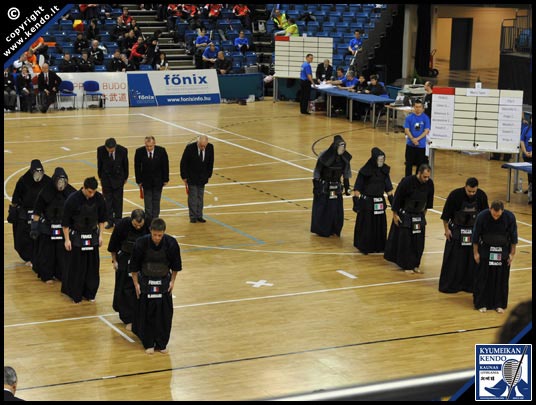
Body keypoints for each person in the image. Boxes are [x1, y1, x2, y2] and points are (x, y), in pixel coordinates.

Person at [130, 218, 182, 354]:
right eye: (154, 235)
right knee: (147, 314)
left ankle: (161, 343)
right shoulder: (141, 243)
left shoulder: (171, 243)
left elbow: (176, 265)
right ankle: (148, 342)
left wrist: (172, 282)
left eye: (160, 235)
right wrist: (136, 284)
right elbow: (134, 266)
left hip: (164, 281)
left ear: (164, 232)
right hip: (146, 282)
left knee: (164, 315)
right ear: (150, 231)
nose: (157, 238)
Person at [438, 177, 489, 293]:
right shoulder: (455, 195)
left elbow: (485, 216)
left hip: (474, 231)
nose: (471, 193)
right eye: (469, 191)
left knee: (471, 261)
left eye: (474, 191)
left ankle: (470, 285)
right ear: (465, 186)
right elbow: (445, 216)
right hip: (456, 231)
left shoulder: (481, 196)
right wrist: (447, 230)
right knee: (454, 260)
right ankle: (451, 285)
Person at [61, 176, 107, 304]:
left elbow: (102, 219)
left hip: (92, 235)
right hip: (76, 236)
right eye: (89, 192)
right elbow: (65, 222)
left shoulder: (99, 199)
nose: (91, 194)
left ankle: (90, 292)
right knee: (77, 267)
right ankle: (75, 293)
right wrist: (67, 240)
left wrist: (100, 236)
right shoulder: (72, 200)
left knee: (92, 266)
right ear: (84, 188)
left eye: (94, 192)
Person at [384, 163, 434, 273]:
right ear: (419, 173)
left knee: (418, 242)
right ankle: (406, 265)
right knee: (406, 242)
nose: (426, 179)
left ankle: (416, 264)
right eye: (424, 176)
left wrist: (422, 217)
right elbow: (397, 198)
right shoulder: (407, 181)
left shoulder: (430, 184)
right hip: (406, 215)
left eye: (428, 177)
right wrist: (395, 215)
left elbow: (428, 203)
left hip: (419, 215)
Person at [30, 167, 76, 283]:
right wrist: (34, 227)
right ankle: (47, 275)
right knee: (47, 253)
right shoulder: (45, 192)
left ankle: (60, 274)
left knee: (62, 254)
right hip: (47, 226)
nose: (61, 185)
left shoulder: (71, 192)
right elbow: (36, 211)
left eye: (63, 182)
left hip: (62, 226)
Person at [108, 209, 151, 329]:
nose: (138, 227)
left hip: (141, 259)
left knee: (138, 288)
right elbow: (113, 244)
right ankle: (127, 317)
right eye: (135, 225)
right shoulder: (122, 225)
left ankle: (140, 315)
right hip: (124, 257)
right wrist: (115, 260)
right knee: (124, 287)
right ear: (131, 220)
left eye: (140, 225)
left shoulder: (149, 224)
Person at [472, 200, 518, 313]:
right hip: (486, 249)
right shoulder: (482, 216)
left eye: (498, 215)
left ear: (503, 211)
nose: (496, 217)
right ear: (490, 210)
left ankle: (499, 304)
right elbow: (475, 236)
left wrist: (512, 254)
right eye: (494, 214)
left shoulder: (510, 217)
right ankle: (481, 303)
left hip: (502, 250)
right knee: (483, 278)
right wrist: (476, 253)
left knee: (501, 278)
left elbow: (513, 237)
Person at [8, 159, 51, 267]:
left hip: (40, 211)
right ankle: (28, 256)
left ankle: (39, 256)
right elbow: (15, 198)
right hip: (25, 211)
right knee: (23, 235)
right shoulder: (23, 180)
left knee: (40, 234)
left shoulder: (47, 180)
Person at [352, 148, 394, 254]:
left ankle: (379, 246)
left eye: (382, 160)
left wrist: (393, 204)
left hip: (379, 202)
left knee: (380, 225)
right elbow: (357, 189)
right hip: (367, 203)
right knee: (367, 226)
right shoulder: (364, 171)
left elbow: (389, 189)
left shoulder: (384, 171)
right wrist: (357, 203)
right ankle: (365, 246)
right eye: (379, 160)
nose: (381, 162)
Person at [311, 135, 352, 237]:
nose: (342, 150)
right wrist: (316, 185)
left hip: (337, 186)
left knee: (336, 210)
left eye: (343, 148)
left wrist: (347, 187)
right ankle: (322, 229)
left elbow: (346, 173)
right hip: (324, 187)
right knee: (323, 209)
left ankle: (335, 228)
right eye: (340, 148)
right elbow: (317, 171)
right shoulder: (324, 155)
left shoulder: (345, 158)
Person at [180, 135, 214, 223]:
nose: (203, 147)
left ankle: (199, 215)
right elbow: (183, 162)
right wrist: (184, 176)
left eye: (204, 146)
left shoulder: (210, 147)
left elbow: (211, 161)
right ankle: (193, 216)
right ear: (197, 142)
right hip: (192, 177)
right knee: (193, 197)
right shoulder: (190, 148)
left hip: (203, 177)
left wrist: (209, 174)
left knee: (200, 197)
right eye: (201, 146)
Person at [97, 138, 129, 229]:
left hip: (118, 179)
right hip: (106, 179)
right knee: (107, 201)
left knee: (118, 201)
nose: (110, 151)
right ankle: (110, 220)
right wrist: (100, 176)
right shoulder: (100, 150)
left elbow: (125, 164)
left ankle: (118, 220)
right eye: (108, 149)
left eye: (112, 149)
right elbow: (99, 164)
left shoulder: (122, 150)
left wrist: (125, 177)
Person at [134, 136, 170, 219]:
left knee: (156, 201)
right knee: (148, 203)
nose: (149, 148)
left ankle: (155, 218)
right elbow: (137, 167)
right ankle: (148, 220)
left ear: (154, 144)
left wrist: (166, 179)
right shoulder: (139, 151)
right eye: (147, 146)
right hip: (146, 182)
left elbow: (165, 165)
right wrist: (138, 181)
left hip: (158, 181)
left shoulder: (161, 151)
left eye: (151, 146)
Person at [403, 100, 430, 177]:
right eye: (416, 107)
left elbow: (426, 131)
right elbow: (406, 130)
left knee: (420, 166)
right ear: (413, 107)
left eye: (419, 107)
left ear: (422, 108)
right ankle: (407, 181)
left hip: (420, 146)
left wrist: (417, 139)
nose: (418, 109)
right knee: (408, 164)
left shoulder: (425, 118)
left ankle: (417, 180)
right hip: (410, 145)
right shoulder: (409, 117)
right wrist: (412, 139)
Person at [519, 115, 532, 204]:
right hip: (526, 155)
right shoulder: (526, 129)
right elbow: (522, 140)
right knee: (529, 174)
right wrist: (525, 151)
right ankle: (530, 192)